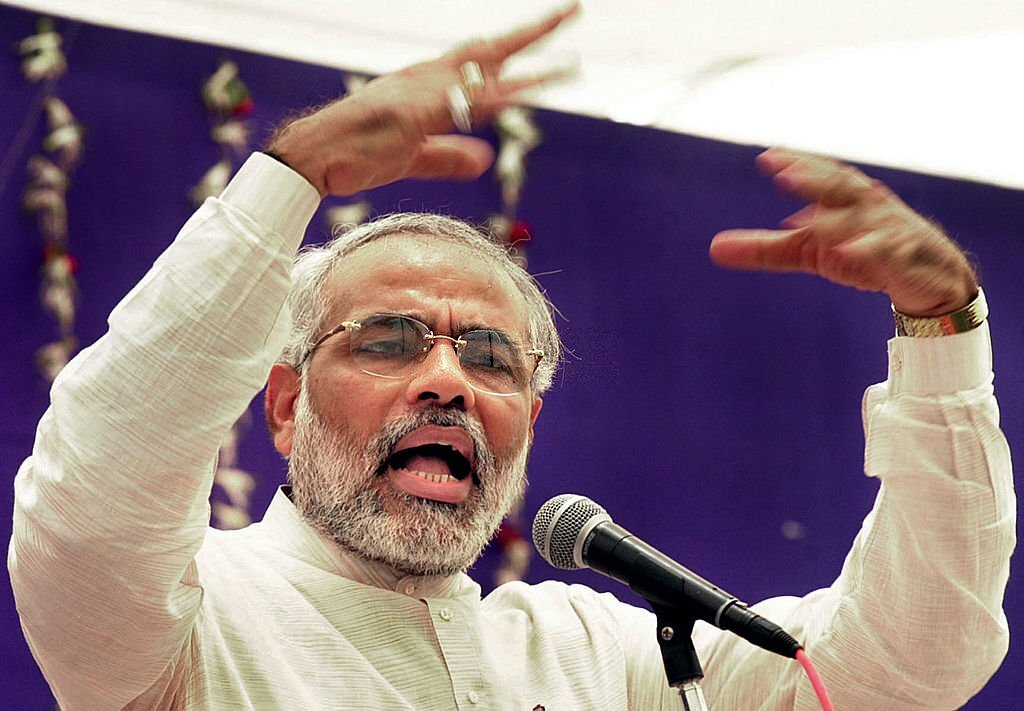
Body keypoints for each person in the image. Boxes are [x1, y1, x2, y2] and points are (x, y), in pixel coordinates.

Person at [9, 5, 1013, 709]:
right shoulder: (182, 621)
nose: (446, 380)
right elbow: (98, 489)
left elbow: (907, 663)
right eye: (388, 340)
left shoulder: (608, 656)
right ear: (283, 404)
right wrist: (292, 176)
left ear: (527, 424)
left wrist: (941, 330)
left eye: (491, 359)